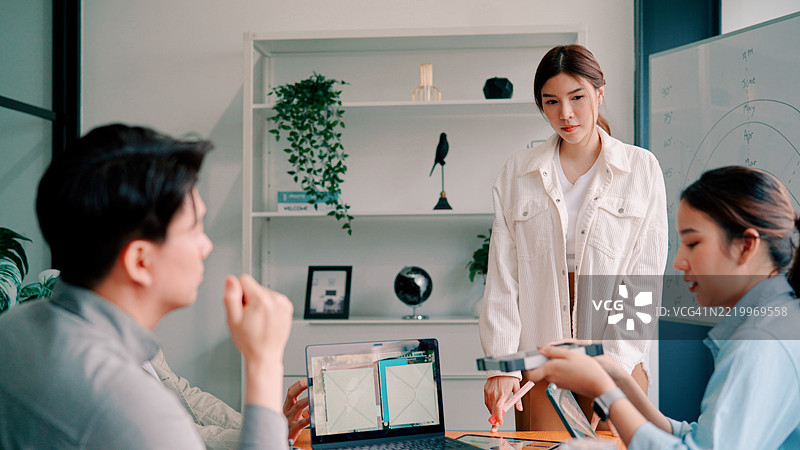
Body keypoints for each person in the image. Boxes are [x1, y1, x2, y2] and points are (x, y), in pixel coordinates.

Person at [0, 124, 292, 448]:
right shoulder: (128, 406)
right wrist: (263, 361)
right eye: (195, 229)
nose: (206, 246)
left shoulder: (13, 327)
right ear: (140, 261)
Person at [530, 166, 800, 448]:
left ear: (746, 246)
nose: (678, 261)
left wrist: (603, 389)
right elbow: (700, 438)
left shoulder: (761, 342)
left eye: (693, 243)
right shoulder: (774, 323)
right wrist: (619, 378)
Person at [479, 44, 668, 431]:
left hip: (616, 356)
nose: (565, 113)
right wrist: (502, 365)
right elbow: (502, 277)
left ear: (600, 93)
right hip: (539, 363)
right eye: (551, 102)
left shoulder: (641, 168)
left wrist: (612, 370)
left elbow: (643, 278)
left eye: (577, 97)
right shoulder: (518, 172)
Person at [146, 348, 310, 449]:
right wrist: (260, 437)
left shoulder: (142, 340)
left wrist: (264, 431)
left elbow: (184, 395)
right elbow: (158, 429)